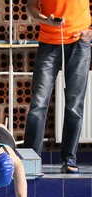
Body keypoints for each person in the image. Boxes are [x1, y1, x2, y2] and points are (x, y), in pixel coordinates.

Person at [24, 0, 92, 174]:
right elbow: (31, 6)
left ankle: (69, 158)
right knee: (39, 102)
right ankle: (30, 159)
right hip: (49, 41)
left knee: (74, 103)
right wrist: (46, 20)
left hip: (80, 41)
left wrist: (90, 32)